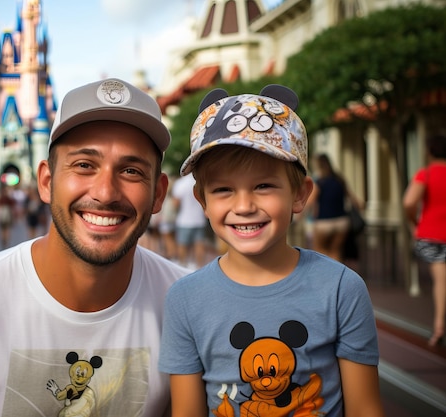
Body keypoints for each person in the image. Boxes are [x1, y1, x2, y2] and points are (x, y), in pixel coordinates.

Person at [0, 78, 189, 417]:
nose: (105, 192)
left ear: (159, 193)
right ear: (46, 181)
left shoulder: (186, 307)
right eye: (84, 165)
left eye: (131, 171)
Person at [159, 86, 383, 417]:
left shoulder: (341, 289)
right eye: (223, 190)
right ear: (202, 201)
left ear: (299, 194)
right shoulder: (185, 300)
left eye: (263, 186)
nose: (245, 206)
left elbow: (366, 409)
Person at [403, 133, 446, 347]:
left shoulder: (426, 174)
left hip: (433, 235)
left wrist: (415, 223)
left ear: (429, 151)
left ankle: (439, 326)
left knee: (440, 280)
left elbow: (409, 202)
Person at [307, 153, 362, 262]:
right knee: (336, 252)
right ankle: (336, 278)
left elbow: (310, 202)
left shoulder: (319, 182)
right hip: (341, 222)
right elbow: (354, 199)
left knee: (320, 253)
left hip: (323, 223)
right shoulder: (339, 180)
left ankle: (323, 278)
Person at [172, 172, 209, 268]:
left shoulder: (180, 183)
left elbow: (175, 204)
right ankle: (199, 266)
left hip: (184, 220)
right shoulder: (200, 183)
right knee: (199, 244)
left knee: (182, 244)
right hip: (199, 219)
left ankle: (182, 266)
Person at [0, 184, 16, 248]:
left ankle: (4, 240)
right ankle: (5, 240)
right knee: (6, 228)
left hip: (3, 213)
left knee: (4, 228)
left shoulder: (1, 198)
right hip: (6, 214)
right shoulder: (7, 198)